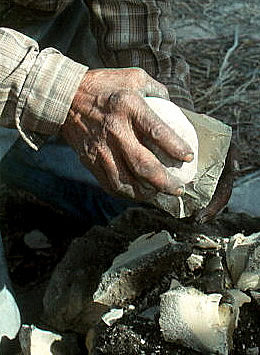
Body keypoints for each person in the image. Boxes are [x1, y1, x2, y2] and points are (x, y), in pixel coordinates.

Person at [0, 0, 232, 345]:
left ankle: (20, 154)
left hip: (38, 40)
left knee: (152, 210)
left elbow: (131, 17)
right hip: (27, 71)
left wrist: (174, 123)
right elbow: (60, 91)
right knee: (6, 335)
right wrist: (69, 95)